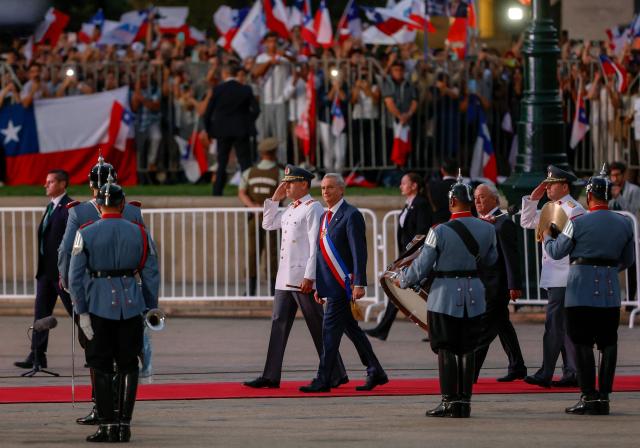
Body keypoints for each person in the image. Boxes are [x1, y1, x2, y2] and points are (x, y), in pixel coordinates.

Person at [397, 174, 497, 418]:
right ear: (470, 202)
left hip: (444, 295)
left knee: (446, 347)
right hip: (474, 293)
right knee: (468, 347)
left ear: (452, 202)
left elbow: (422, 267)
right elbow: (491, 260)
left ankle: (448, 400)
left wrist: (402, 279)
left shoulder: (438, 231)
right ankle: (464, 402)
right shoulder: (488, 228)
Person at [69, 181, 160, 443]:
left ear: (99, 205)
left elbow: (75, 278)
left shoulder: (85, 232)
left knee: (100, 364)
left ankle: (107, 424)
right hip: (131, 305)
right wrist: (149, 306)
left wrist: (82, 311)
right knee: (129, 363)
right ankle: (124, 424)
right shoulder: (140, 233)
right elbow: (151, 273)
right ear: (122, 204)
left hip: (97, 306)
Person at [57, 155, 145, 426]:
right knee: (127, 355)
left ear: (91, 186)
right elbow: (144, 252)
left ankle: (101, 406)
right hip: (129, 294)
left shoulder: (78, 212)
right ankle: (120, 409)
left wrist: (68, 284)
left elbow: (66, 253)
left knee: (95, 351)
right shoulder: (132, 212)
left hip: (92, 293)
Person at [244, 166, 347, 389]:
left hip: (302, 278)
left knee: (317, 325)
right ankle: (270, 375)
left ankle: (336, 373)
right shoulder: (291, 208)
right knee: (278, 324)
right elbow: (268, 224)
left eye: (290, 183)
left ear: (303, 184)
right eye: (286, 182)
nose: (286, 186)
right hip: (285, 277)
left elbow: (315, 246)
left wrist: (311, 276)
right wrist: (274, 199)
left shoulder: (313, 208)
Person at [543, 168, 634, 415]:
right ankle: (603, 396)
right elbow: (627, 260)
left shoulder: (577, 223)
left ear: (590, 195)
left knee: (581, 342)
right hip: (609, 290)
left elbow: (557, 251)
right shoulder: (625, 223)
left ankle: (588, 396)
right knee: (608, 343)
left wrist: (548, 235)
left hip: (580, 289)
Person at [300, 174, 388, 393]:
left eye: (330, 188)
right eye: (322, 188)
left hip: (344, 285)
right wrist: (320, 285)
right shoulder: (325, 217)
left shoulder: (351, 215)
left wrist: (359, 282)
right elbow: (321, 254)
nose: (325, 192)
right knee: (352, 330)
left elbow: (359, 252)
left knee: (329, 332)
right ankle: (375, 370)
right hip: (330, 284)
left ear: (342, 190)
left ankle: (324, 378)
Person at [520, 165, 585, 388]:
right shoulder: (551, 206)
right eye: (546, 183)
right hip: (555, 275)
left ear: (564, 186)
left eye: (552, 184)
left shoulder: (572, 209)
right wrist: (532, 198)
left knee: (554, 326)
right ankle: (572, 372)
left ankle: (546, 373)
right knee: (564, 327)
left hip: (564, 275)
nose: (547, 187)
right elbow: (527, 222)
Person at [14, 170, 73, 370]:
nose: (45, 185)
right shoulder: (51, 208)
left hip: (61, 273)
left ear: (63, 184)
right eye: (46, 181)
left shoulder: (69, 208)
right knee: (41, 314)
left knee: (77, 312)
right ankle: (37, 355)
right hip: (46, 273)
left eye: (50, 181)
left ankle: (95, 350)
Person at [365, 172, 430, 341]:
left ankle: (435, 329)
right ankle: (383, 329)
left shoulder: (421, 204)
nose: (401, 186)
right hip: (407, 256)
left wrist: (407, 256)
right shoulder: (409, 204)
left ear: (414, 185)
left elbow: (421, 233)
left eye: (404, 183)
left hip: (415, 257)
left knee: (421, 293)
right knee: (398, 290)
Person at [473, 183, 527, 382]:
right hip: (484, 284)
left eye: (482, 197)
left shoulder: (503, 223)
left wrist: (514, 285)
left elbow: (510, 257)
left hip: (497, 286)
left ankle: (471, 372)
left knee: (484, 330)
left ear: (494, 200)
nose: (477, 201)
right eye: (475, 198)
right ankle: (517, 366)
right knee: (503, 326)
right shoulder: (480, 222)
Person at [203, 63, 260, 196]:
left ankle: (217, 191)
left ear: (225, 74)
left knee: (222, 161)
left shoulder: (218, 89)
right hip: (241, 129)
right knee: (245, 162)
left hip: (222, 131)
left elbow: (208, 113)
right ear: (235, 74)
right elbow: (256, 110)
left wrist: (209, 130)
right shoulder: (245, 89)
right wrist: (247, 121)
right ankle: (249, 191)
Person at [237, 137, 283, 295]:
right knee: (273, 253)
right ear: (274, 152)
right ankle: (273, 290)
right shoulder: (279, 172)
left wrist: (253, 207)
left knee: (252, 252)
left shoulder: (249, 172)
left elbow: (241, 193)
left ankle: (250, 291)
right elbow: (283, 194)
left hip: (253, 218)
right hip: (274, 219)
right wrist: (268, 208)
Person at [253, 32, 292, 163]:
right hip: (265, 102)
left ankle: (282, 166)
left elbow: (297, 62)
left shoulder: (285, 58)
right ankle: (263, 165)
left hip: (280, 101)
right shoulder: (261, 58)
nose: (273, 44)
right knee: (263, 135)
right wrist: (271, 61)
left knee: (280, 137)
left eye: (275, 41)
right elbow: (256, 73)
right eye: (270, 41)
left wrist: (284, 55)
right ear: (265, 43)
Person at [426, 159, 458, 225]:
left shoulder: (432, 187)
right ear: (457, 171)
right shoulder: (464, 187)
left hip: (438, 224)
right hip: (458, 225)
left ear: (442, 170)